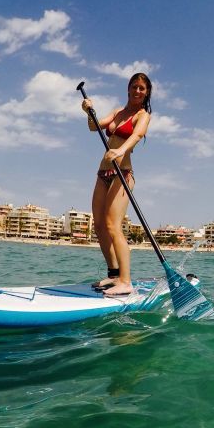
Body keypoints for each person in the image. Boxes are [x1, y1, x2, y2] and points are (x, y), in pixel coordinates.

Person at [81, 73, 152, 296]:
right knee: (100, 225)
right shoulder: (117, 112)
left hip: (123, 173)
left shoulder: (143, 115)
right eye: (134, 87)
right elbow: (94, 127)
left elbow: (138, 135)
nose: (138, 91)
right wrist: (87, 112)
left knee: (113, 225)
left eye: (142, 88)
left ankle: (126, 281)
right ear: (128, 89)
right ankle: (113, 275)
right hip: (103, 173)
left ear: (146, 92)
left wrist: (121, 150)